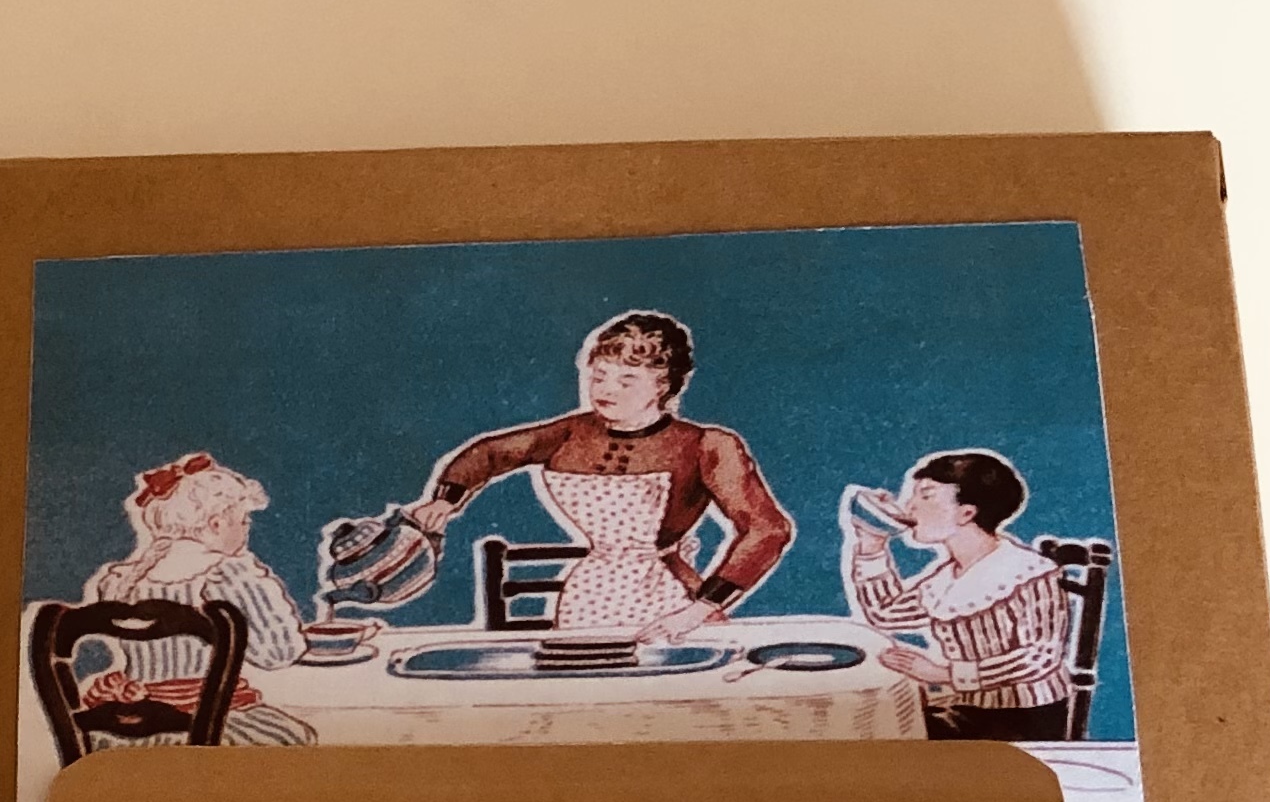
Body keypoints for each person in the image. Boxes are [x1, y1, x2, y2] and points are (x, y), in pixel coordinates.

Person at [328, 309, 795, 637]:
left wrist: (699, 610)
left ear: (665, 385)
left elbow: (768, 530)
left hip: (672, 603)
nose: (606, 389)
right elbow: (489, 454)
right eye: (598, 375)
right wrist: (445, 500)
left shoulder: (708, 445)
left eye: (626, 379)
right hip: (587, 598)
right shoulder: (570, 433)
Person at [74, 450, 316, 744]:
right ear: (216, 524)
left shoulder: (123, 582)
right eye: (243, 520)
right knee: (296, 738)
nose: (246, 529)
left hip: (128, 733)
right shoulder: (226, 575)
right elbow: (279, 653)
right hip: (205, 728)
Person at [839, 449, 1078, 735]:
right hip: (969, 709)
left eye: (926, 496)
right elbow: (885, 614)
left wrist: (943, 674)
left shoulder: (1028, 572)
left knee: (886, 731)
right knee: (875, 721)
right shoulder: (947, 579)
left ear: (966, 513)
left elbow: (1039, 657)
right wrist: (872, 545)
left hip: (1024, 718)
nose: (910, 506)